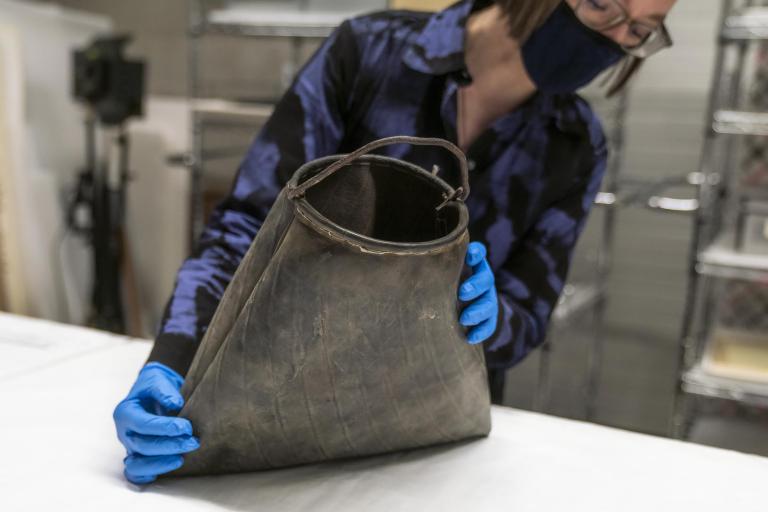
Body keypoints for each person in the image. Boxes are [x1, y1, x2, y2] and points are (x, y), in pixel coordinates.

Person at [113, 0, 677, 484]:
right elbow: (246, 228)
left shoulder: (574, 142)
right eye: (603, 4)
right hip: (280, 396)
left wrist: (491, 317)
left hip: (429, 435)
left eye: (641, 29)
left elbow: (527, 315)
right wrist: (173, 359)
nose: (614, 37)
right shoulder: (370, 55)